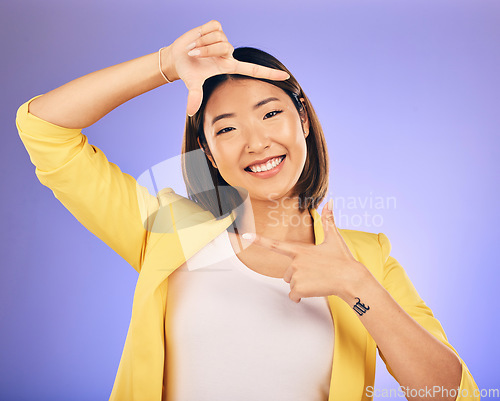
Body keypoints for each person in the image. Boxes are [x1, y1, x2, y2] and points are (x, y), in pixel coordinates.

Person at [16, 19, 479, 401]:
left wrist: (356, 286)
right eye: (227, 128)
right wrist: (167, 64)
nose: (257, 142)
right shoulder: (166, 230)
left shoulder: (367, 257)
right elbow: (43, 129)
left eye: (270, 113)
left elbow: (451, 393)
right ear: (209, 152)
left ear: (302, 117)